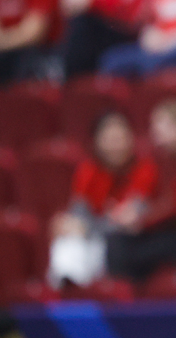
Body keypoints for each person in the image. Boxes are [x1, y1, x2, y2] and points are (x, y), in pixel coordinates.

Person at [48, 111, 158, 287]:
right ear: (97, 142)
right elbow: (78, 216)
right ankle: (66, 294)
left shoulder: (145, 170)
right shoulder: (88, 171)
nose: (116, 146)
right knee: (67, 244)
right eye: (109, 139)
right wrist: (71, 224)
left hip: (127, 246)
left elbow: (129, 222)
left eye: (120, 138)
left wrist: (88, 227)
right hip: (93, 242)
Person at [106, 100, 176, 282]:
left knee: (123, 249)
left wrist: (141, 220)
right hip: (165, 229)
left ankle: (124, 300)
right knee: (117, 241)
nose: (155, 132)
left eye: (163, 124)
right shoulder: (162, 160)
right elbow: (147, 195)